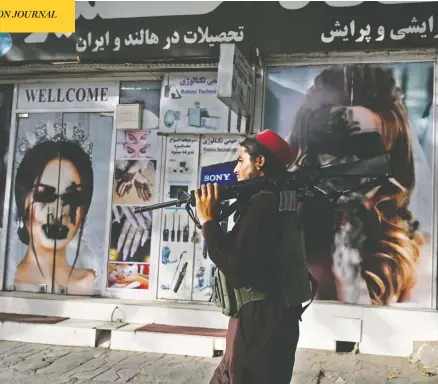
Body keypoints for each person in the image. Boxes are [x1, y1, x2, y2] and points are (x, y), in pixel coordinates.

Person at [288, 64, 422, 305]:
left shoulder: (413, 256)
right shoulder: (282, 229)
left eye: (365, 150)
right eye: (331, 147)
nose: (346, 166)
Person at [195, 129, 315, 384]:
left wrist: (208, 222)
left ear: (259, 162)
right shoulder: (272, 199)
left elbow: (238, 271)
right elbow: (241, 253)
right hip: (264, 321)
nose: (235, 170)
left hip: (259, 326)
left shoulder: (265, 203)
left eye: (241, 160)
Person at [14, 139, 95, 295]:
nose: (58, 213)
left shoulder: (96, 283)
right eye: (44, 195)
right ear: (22, 203)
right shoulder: (8, 283)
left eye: (72, 198)